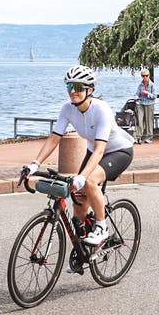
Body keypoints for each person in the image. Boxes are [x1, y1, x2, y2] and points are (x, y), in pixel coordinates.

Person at [22, 65, 135, 263]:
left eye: (78, 87)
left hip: (118, 151)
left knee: (89, 181)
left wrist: (82, 177)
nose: (72, 91)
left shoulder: (101, 109)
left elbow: (100, 149)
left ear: (90, 90)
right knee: (79, 205)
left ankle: (101, 226)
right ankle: (84, 252)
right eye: (69, 87)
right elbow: (54, 138)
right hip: (94, 151)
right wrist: (34, 164)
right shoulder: (67, 109)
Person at [134, 69, 157, 143]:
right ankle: (138, 136)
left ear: (149, 75)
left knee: (148, 121)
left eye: (146, 75)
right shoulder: (140, 85)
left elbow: (155, 96)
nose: (145, 77)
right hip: (141, 104)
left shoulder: (152, 85)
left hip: (150, 104)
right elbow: (137, 93)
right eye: (143, 76)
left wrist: (147, 93)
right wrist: (136, 96)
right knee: (139, 120)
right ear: (141, 76)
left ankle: (149, 137)